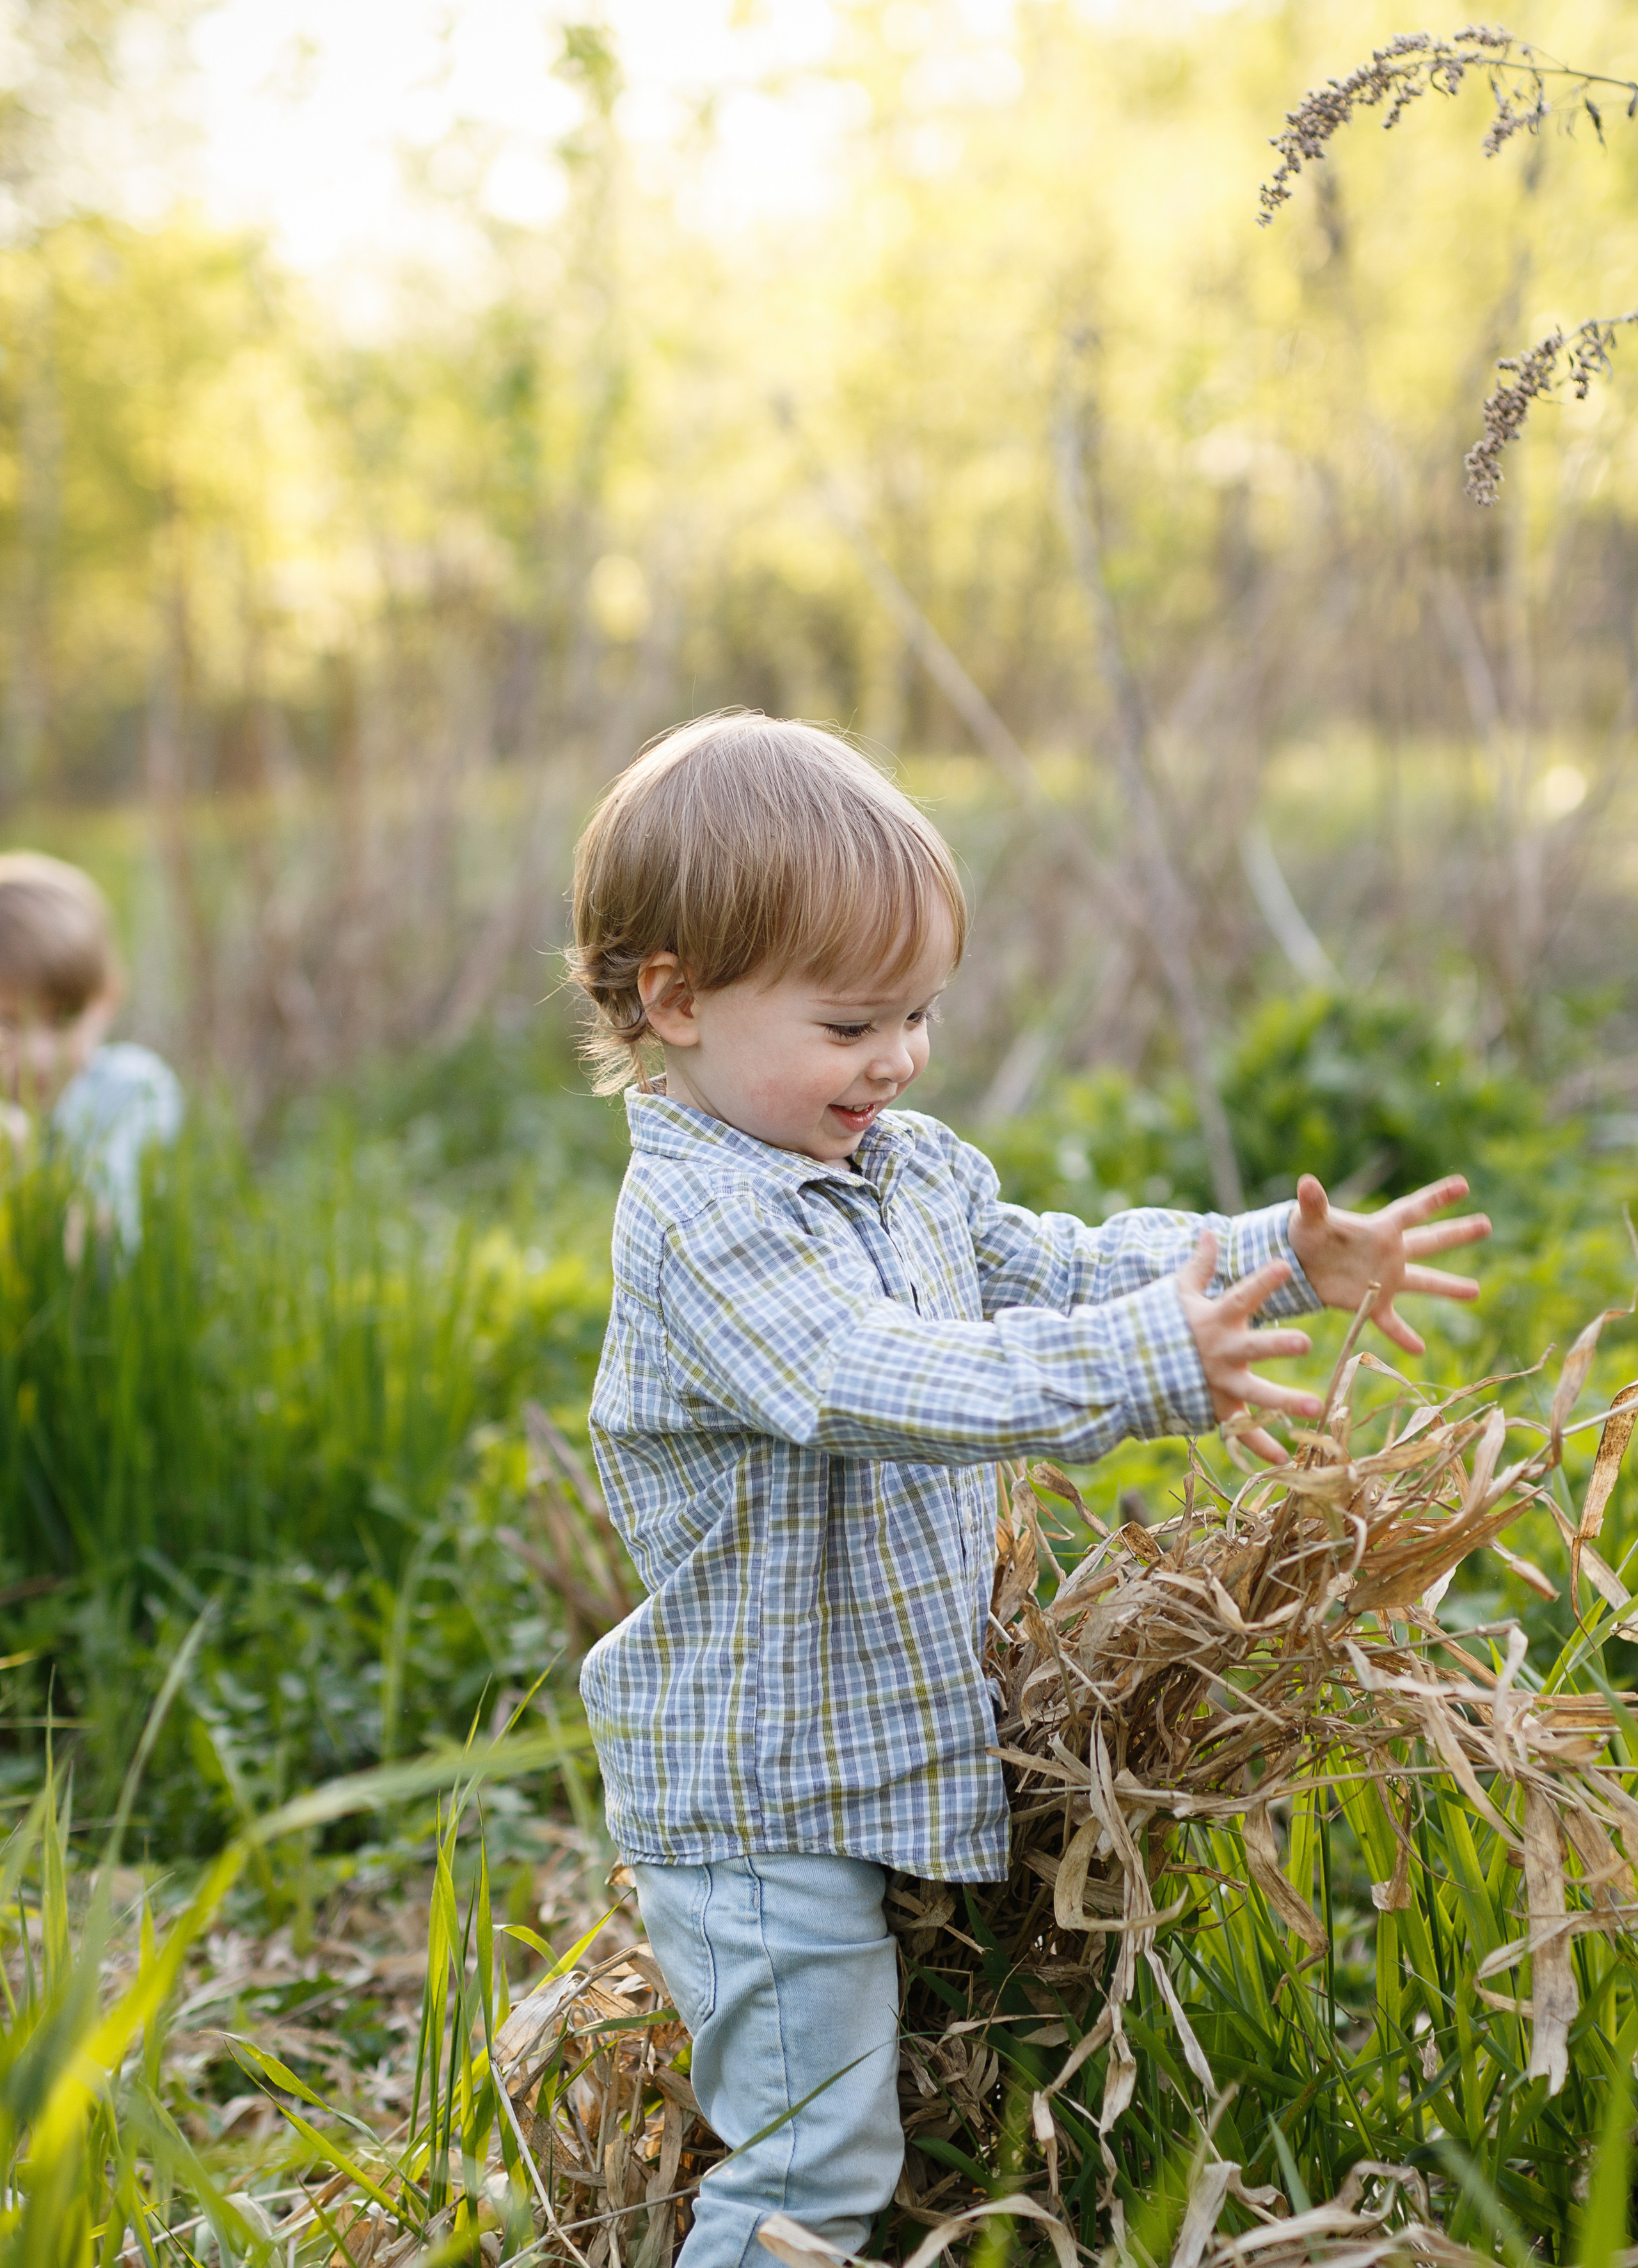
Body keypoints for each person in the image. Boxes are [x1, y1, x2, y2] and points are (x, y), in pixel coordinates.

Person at [566, 713, 1488, 2268]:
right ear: (674, 997)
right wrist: (1139, 1366)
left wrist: (1277, 1258)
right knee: (810, 2161)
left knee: (864, 2120)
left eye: (920, 1012)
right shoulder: (698, 1230)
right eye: (856, 1020)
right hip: (760, 1790)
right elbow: (877, 1376)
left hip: (861, 1748)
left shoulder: (902, 1163)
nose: (902, 1056)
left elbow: (1051, 1262)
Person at [0, 850, 182, 1247]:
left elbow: (110, 1234)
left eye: (63, 1020)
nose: (38, 1055)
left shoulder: (131, 1090)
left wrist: (25, 1169)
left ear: (108, 1000)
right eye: (6, 1023)